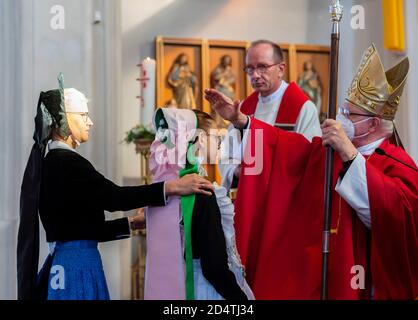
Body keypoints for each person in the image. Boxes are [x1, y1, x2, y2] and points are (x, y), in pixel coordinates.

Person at [206, 44, 417, 299]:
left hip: (368, 277)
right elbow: (287, 148)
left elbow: (389, 214)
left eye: (349, 114)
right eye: (341, 111)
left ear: (373, 123)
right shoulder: (331, 151)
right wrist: (242, 122)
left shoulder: (397, 163)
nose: (340, 118)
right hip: (325, 266)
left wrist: (350, 154)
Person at [17, 74, 213, 300]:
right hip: (79, 267)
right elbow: (114, 198)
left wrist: (131, 223)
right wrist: (171, 187)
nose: (89, 122)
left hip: (63, 262)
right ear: (64, 119)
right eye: (83, 115)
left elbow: (84, 229)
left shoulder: (51, 162)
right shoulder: (67, 162)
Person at [144, 107, 254, 300]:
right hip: (207, 289)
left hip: (177, 285)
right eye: (216, 137)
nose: (220, 143)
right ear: (200, 139)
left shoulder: (167, 187)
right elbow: (214, 267)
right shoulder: (201, 191)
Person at [205, 39, 321, 192]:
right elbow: (227, 155)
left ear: (281, 69)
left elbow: (311, 159)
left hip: (286, 198)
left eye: (262, 67)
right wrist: (236, 172)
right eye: (250, 69)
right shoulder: (243, 108)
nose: (255, 75)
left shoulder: (303, 107)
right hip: (250, 197)